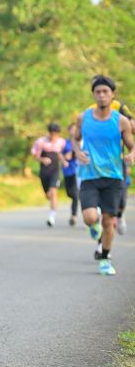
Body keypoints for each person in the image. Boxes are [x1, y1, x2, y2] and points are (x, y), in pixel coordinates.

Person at [73, 75, 135, 276]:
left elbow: (132, 145)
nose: (101, 95)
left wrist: (131, 155)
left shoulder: (121, 121)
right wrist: (77, 152)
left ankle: (105, 258)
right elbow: (74, 138)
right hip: (89, 175)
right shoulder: (83, 118)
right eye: (98, 92)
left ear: (112, 94)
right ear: (93, 95)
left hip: (113, 177)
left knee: (109, 221)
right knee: (89, 217)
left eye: (105, 92)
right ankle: (94, 227)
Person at [31, 123, 66, 227]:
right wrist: (42, 159)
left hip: (55, 170)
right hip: (44, 171)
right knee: (48, 195)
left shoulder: (61, 142)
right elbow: (35, 155)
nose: (54, 137)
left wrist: (63, 160)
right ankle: (52, 204)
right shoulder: (41, 142)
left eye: (56, 135)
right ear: (49, 133)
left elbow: (60, 153)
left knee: (53, 191)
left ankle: (52, 216)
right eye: (53, 134)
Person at [62, 123, 79, 226]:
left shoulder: (81, 142)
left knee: (75, 195)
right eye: (72, 129)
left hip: (77, 172)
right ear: (69, 131)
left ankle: (74, 215)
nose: (74, 131)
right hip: (67, 171)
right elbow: (59, 154)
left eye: (75, 129)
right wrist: (64, 158)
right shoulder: (65, 143)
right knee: (70, 194)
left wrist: (74, 153)